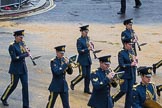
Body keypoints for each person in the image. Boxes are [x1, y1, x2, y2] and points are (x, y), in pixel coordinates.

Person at [1, 30, 30, 108]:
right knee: (13, 85)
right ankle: (3, 98)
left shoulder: (22, 43)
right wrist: (25, 55)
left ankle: (26, 105)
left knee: (25, 86)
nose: (22, 38)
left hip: (23, 68)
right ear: (16, 36)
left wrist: (27, 51)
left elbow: (24, 52)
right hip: (15, 69)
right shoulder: (12, 46)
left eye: (22, 37)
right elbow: (14, 58)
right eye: (20, 37)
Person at [112, 38, 137, 108]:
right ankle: (112, 99)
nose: (131, 46)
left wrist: (135, 61)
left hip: (131, 74)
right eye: (129, 44)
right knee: (123, 90)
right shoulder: (121, 53)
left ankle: (127, 106)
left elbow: (134, 62)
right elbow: (121, 65)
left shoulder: (132, 52)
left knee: (130, 92)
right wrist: (130, 64)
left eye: (131, 44)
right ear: (125, 44)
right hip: (124, 75)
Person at [70, 25, 92, 94]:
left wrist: (91, 47)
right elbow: (79, 51)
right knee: (83, 74)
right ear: (82, 32)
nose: (86, 33)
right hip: (82, 60)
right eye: (85, 32)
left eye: (87, 31)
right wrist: (87, 49)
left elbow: (89, 46)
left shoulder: (87, 38)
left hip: (88, 59)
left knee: (88, 76)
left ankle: (86, 89)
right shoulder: (79, 40)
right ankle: (73, 82)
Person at [121, 18, 138, 84]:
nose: (131, 26)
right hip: (127, 51)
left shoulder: (132, 31)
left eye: (131, 25)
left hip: (133, 51)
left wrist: (136, 38)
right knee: (128, 65)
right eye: (130, 25)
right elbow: (124, 40)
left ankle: (134, 81)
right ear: (126, 25)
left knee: (134, 65)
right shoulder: (124, 33)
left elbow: (134, 40)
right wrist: (132, 39)